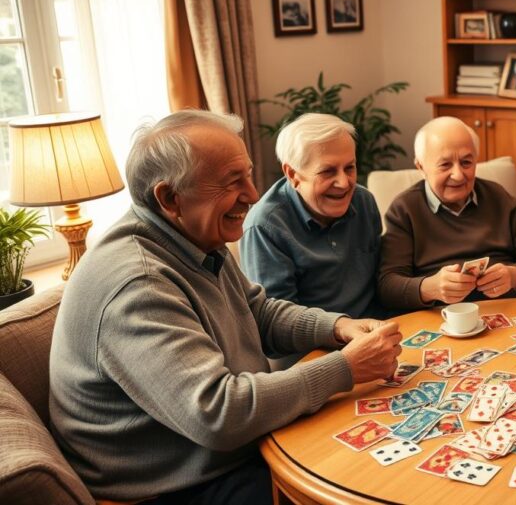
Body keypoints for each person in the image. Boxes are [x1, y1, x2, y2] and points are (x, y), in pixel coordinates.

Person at [48, 111, 403, 504]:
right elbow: (218, 414)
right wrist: (346, 368)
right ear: (170, 198)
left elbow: (258, 312)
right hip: (175, 482)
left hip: (215, 450)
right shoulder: (139, 285)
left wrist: (336, 328)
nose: (253, 194)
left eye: (249, 175)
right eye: (233, 182)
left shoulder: (192, 236)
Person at [377, 116, 516, 313]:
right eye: (445, 165)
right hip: (443, 318)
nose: (459, 175)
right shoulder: (405, 209)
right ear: (420, 167)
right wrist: (429, 288)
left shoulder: (497, 196)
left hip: (507, 309)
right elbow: (387, 285)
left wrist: (515, 275)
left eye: (466, 162)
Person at [242, 113, 381, 317]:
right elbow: (278, 322)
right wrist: (343, 330)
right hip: (317, 344)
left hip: (379, 326)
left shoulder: (363, 201)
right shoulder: (265, 227)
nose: (344, 183)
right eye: (327, 171)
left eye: (349, 167)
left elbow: (381, 279)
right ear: (293, 174)